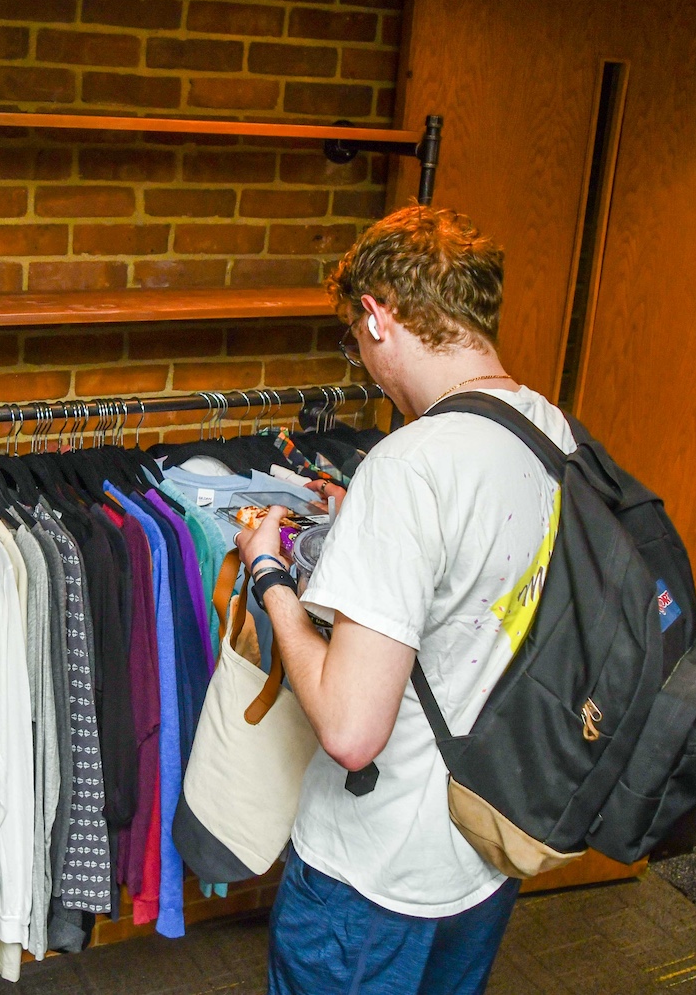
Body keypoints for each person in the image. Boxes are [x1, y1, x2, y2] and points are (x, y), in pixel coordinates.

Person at [236, 205, 574, 995]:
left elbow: (353, 732)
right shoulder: (546, 427)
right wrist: (366, 519)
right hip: (482, 844)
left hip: (374, 869)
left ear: (378, 317)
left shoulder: (409, 466)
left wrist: (269, 575)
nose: (363, 357)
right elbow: (482, 586)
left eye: (357, 336)